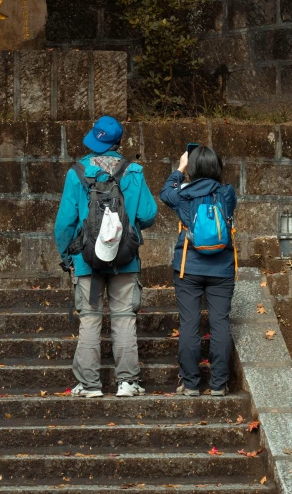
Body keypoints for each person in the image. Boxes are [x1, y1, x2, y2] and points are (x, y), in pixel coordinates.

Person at [54, 116, 157, 398]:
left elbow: (64, 223)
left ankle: (90, 385)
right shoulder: (133, 171)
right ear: (118, 143)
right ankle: (127, 383)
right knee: (124, 318)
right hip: (125, 261)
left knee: (90, 318)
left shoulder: (76, 172)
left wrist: (68, 257)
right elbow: (148, 214)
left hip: (87, 261)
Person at [160, 146, 238, 397]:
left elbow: (164, 193)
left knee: (190, 324)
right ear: (217, 168)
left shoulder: (182, 194)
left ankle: (191, 383)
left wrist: (180, 169)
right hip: (222, 269)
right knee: (220, 324)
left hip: (188, 267)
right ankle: (218, 384)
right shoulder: (227, 193)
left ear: (192, 169)